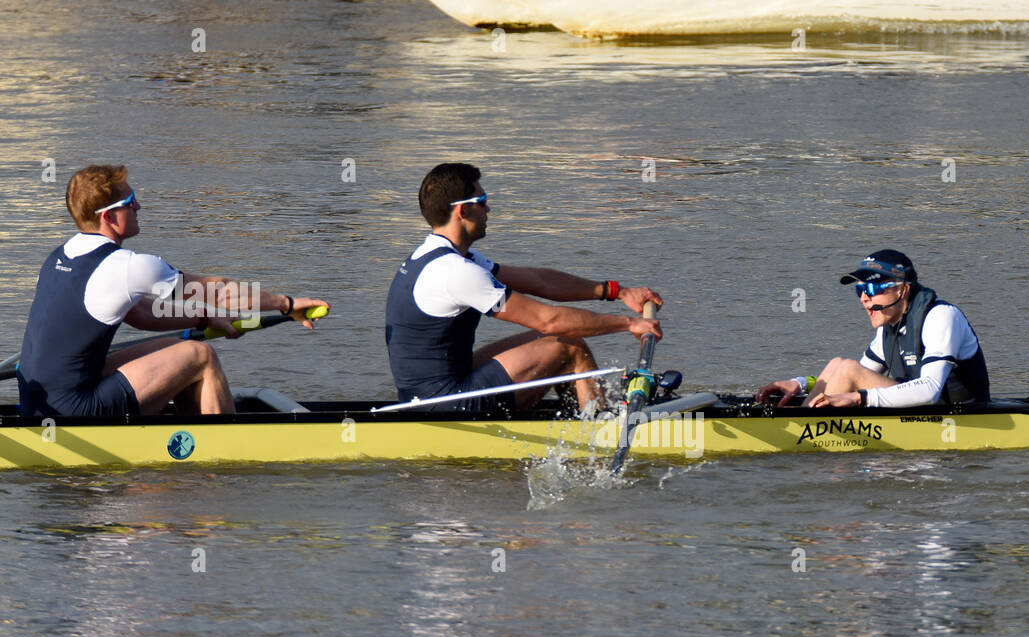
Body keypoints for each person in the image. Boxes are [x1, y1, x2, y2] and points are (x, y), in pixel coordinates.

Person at [16, 164, 328, 418]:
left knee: (170, 350)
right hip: (75, 409)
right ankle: (226, 450)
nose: (139, 205)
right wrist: (285, 303)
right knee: (200, 355)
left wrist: (203, 320)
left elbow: (138, 314)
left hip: (41, 401)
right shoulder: (127, 266)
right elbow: (218, 292)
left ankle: (189, 438)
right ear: (108, 217)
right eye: (130, 201)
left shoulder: (60, 255)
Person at [385, 162, 663, 412]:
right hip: (443, 404)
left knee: (543, 340)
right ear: (463, 210)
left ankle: (581, 415)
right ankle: (600, 432)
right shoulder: (456, 272)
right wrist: (629, 324)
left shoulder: (441, 257)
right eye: (482, 201)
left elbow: (539, 281)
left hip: (431, 393)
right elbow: (550, 320)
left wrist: (616, 291)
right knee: (570, 346)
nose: (488, 208)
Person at [757, 249, 989, 409]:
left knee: (848, 369)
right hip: (922, 405)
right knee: (838, 364)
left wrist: (860, 399)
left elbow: (929, 390)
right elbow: (852, 377)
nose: (864, 298)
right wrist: (801, 384)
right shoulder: (889, 325)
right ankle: (800, 421)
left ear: (902, 290)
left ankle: (799, 432)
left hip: (957, 414)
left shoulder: (941, 316)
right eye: (860, 290)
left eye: (873, 288)